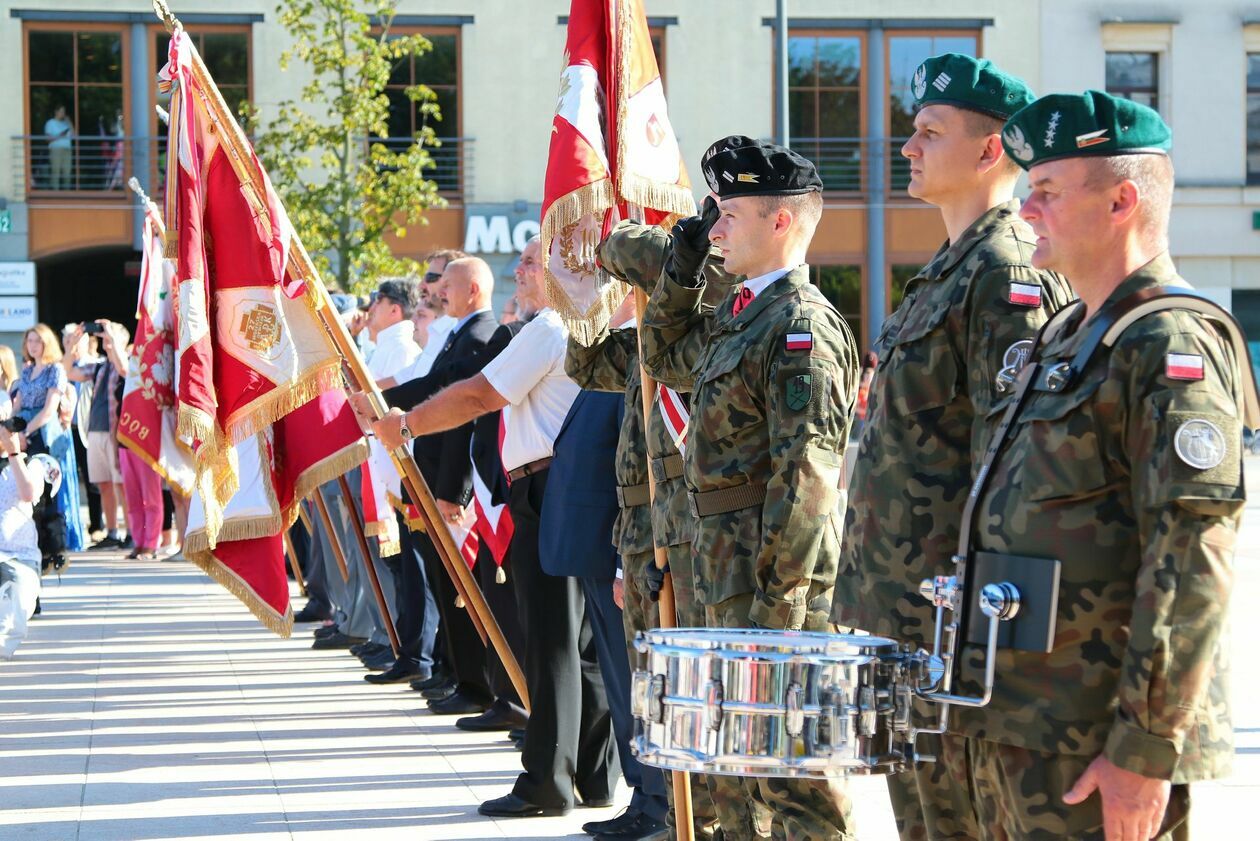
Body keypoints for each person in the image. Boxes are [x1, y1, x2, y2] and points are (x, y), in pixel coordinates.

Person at [909, 91, 1249, 840]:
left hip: (1091, 739)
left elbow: (1191, 564)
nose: (1027, 210)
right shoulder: (1066, 335)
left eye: (1050, 192)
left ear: (1123, 200)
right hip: (1017, 720)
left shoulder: (1168, 343)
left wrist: (1143, 752)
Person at [822, 54, 1075, 840]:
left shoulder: (1005, 274)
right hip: (907, 615)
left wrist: (979, 628)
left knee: (959, 820)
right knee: (924, 819)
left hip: (955, 626)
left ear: (989, 150)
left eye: (929, 132)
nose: (908, 146)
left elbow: (1013, 465)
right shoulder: (946, 271)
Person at [641, 137, 859, 841]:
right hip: (721, 572)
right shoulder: (742, 316)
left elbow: (807, 484)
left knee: (793, 779)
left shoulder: (799, 328)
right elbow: (659, 353)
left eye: (729, 213)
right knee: (732, 779)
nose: (718, 228)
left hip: (768, 589)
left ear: (781, 222)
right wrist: (680, 267)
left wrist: (779, 613)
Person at [371, 236, 613, 819]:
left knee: (551, 640)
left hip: (549, 488)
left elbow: (480, 393)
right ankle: (593, 774)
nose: (521, 270)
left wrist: (407, 425)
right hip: (571, 488)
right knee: (580, 644)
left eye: (533, 261)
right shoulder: (579, 326)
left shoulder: (550, 327)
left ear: (564, 270)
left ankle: (546, 782)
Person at [572, 220, 735, 840]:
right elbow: (587, 365)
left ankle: (699, 819)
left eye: (646, 278)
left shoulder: (715, 334)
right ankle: (671, 812)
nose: (642, 289)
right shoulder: (648, 337)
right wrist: (588, 299)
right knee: (656, 684)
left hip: (694, 538)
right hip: (643, 533)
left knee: (696, 684)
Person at [558, 292, 670, 841]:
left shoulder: (679, 342)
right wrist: (585, 300)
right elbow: (583, 365)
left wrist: (635, 559)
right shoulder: (638, 343)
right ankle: (646, 797)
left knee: (649, 686)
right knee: (631, 685)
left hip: (658, 549)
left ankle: (662, 803)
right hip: (627, 543)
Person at [13, 324, 83, 557]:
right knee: (26, 492)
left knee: (47, 492)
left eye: (37, 341)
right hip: (24, 432)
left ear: (46, 343)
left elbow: (48, 410)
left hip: (44, 434)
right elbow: (18, 405)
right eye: (29, 341)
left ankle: (54, 548)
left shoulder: (55, 370)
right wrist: (11, 433)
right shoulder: (26, 371)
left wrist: (26, 433)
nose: (32, 346)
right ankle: (32, 543)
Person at [64, 322, 129, 550]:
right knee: (104, 484)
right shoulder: (100, 366)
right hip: (95, 431)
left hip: (115, 433)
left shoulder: (127, 364)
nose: (106, 340)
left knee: (121, 484)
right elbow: (69, 372)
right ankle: (111, 532)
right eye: (104, 337)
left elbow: (124, 369)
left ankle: (130, 532)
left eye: (111, 337)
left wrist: (113, 336)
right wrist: (71, 344)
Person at [0, 423, 49, 658]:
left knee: (14, 604)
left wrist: (13, 453)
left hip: (20, 559)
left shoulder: (33, 465)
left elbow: (28, 493)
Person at [44, 105, 73, 190]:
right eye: (61, 111)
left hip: (67, 150)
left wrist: (69, 121)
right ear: (56, 112)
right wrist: (60, 136)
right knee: (55, 171)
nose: (63, 113)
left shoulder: (66, 124)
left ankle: (66, 194)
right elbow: (47, 139)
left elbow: (74, 135)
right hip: (56, 150)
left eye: (64, 112)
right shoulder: (50, 123)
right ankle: (55, 193)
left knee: (67, 173)